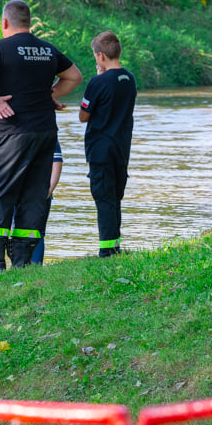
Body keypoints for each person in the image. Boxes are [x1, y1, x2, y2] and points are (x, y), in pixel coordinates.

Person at [0, 0, 82, 275]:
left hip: (10, 135)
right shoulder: (46, 49)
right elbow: (74, 77)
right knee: (34, 195)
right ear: (29, 23)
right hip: (44, 133)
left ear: (4, 23)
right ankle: (22, 265)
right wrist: (49, 95)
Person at [79, 30, 137, 257]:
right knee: (114, 198)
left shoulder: (97, 82)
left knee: (103, 199)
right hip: (121, 148)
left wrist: (99, 77)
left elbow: (83, 116)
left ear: (100, 56)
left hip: (100, 149)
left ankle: (106, 252)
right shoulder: (129, 78)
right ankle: (115, 247)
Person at [31, 140, 63, 265]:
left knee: (37, 233)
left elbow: (57, 162)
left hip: (39, 194)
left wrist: (48, 190)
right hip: (19, 194)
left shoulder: (47, 132)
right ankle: (21, 268)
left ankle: (34, 267)